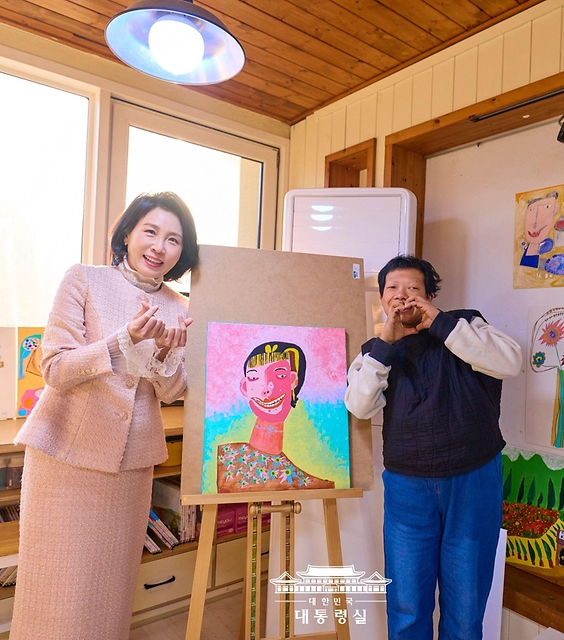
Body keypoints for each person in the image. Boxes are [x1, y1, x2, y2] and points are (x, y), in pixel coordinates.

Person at [10, 191, 198, 640]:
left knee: (110, 590)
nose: (159, 247)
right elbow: (55, 369)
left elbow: (173, 392)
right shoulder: (84, 279)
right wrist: (121, 342)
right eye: (150, 231)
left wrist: (165, 354)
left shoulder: (180, 306)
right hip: (65, 457)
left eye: (173, 239)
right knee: (54, 588)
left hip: (130, 465)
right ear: (127, 233)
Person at [344, 255, 522, 640]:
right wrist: (386, 343)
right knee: (407, 606)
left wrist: (439, 323)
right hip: (407, 487)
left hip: (473, 480)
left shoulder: (465, 324)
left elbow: (510, 362)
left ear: (430, 296)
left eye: (413, 288)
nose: (402, 296)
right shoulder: (375, 351)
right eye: (392, 288)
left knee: (466, 608)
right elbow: (359, 405)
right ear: (382, 299)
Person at [216, 341, 335, 492]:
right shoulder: (226, 458)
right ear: (245, 387)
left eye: (280, 375)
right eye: (254, 378)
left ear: (293, 381)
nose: (267, 388)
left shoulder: (305, 475)